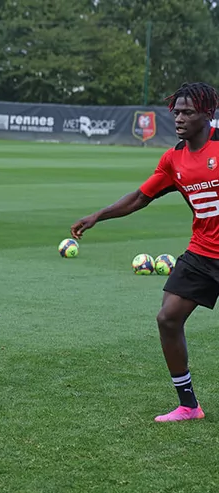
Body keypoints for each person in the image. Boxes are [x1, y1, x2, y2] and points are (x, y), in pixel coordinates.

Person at [70, 82, 219, 422]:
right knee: (168, 318)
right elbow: (140, 197)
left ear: (208, 114)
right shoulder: (174, 159)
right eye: (176, 112)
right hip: (202, 252)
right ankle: (188, 406)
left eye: (187, 112)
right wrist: (98, 216)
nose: (179, 118)